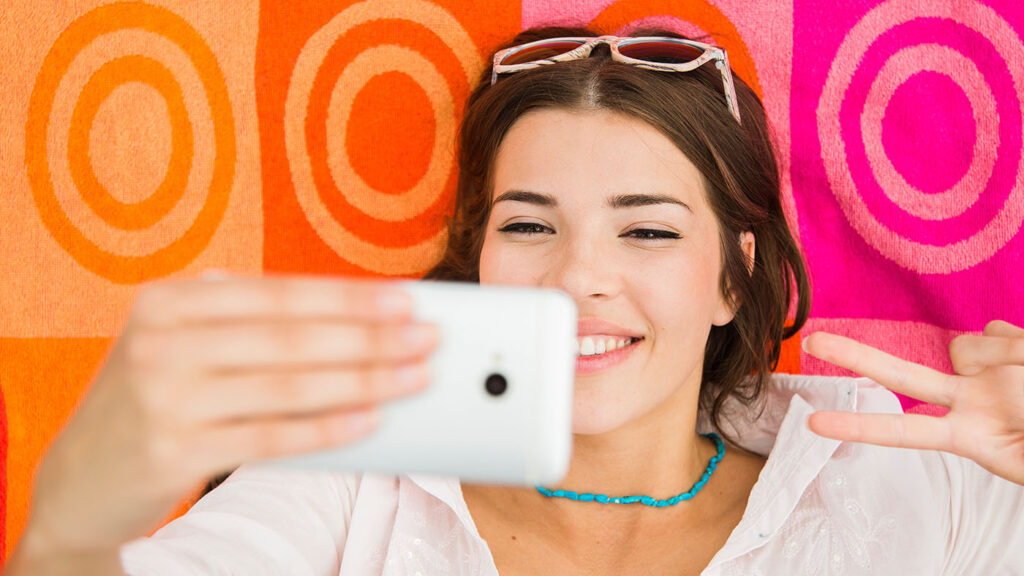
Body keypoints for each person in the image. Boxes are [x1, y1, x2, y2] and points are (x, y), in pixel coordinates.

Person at [6, 26, 1024, 576]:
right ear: (480, 253)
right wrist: (71, 524)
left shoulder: (906, 485)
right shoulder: (348, 476)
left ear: (732, 276)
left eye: (648, 229)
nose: (579, 277)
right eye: (530, 225)